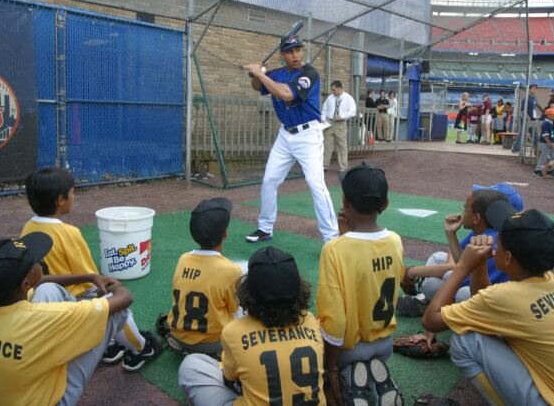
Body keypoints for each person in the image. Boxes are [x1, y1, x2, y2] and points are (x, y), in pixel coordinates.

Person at [422, 201, 554, 405]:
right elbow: (484, 301)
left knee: (466, 341)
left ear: (507, 257)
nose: (493, 241)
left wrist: (463, 266)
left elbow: (430, 321)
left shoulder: (507, 295)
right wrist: (479, 265)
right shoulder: (551, 280)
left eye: (499, 240)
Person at [0, 233, 136, 405]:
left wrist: (89, 277)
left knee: (49, 289)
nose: (40, 261)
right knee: (115, 311)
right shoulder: (42, 318)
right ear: (25, 285)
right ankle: (138, 348)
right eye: (35, 261)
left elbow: (40, 281)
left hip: (11, 389)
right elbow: (125, 298)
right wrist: (113, 286)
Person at [21, 167, 160, 372]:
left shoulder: (27, 228)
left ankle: (110, 345)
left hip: (46, 303)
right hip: (73, 302)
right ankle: (142, 348)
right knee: (115, 304)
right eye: (72, 193)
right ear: (61, 200)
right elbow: (90, 281)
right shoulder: (68, 232)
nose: (73, 197)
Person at [178, 246, 326, 405]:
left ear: (247, 291)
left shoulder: (234, 331)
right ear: (299, 288)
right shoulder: (311, 321)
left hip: (240, 379)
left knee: (191, 365)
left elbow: (230, 380)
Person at [318, 162, 404, 405]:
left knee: (312, 330)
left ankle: (349, 380)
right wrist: (346, 236)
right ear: (384, 205)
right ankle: (376, 381)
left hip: (350, 349)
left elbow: (334, 321)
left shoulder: (334, 249)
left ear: (345, 202)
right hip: (385, 344)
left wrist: (330, 368)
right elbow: (369, 266)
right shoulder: (395, 241)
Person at [244, 34, 338, 243]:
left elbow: (287, 94)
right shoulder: (276, 73)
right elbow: (257, 88)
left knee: (316, 185)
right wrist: (256, 75)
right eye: (290, 51)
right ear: (282, 55)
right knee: (269, 180)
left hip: (308, 136)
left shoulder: (309, 73)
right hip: (285, 135)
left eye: (298, 50)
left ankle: (332, 239)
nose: (295, 55)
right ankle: (265, 228)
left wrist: (262, 74)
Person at [396, 183, 523, 317]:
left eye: (465, 208)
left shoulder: (490, 241)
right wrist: (451, 234)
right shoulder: (485, 230)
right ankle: (427, 300)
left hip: (494, 304)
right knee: (439, 258)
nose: (462, 211)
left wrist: (411, 272)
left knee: (438, 284)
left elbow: (459, 273)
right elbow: (460, 263)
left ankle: (435, 308)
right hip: (486, 291)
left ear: (478, 217)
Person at [158, 198, 242, 358]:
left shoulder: (183, 258)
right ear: (225, 233)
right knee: (244, 310)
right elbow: (232, 309)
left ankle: (186, 347)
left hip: (177, 335)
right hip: (212, 343)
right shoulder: (231, 270)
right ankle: (218, 352)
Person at [322, 80, 357, 173]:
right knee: (327, 145)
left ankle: (343, 167)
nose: (332, 92)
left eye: (334, 90)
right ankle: (324, 165)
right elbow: (324, 110)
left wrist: (342, 116)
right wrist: (323, 120)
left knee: (342, 146)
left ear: (340, 88)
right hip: (329, 122)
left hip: (341, 123)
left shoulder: (348, 98)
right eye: (332, 90)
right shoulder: (330, 98)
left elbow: (353, 111)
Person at [512, 84, 544, 152]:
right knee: (522, 135)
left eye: (535, 88)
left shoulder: (534, 98)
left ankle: (538, 149)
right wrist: (527, 117)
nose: (534, 90)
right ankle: (515, 149)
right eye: (532, 88)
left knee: (534, 134)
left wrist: (537, 116)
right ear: (529, 89)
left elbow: (534, 109)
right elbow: (523, 110)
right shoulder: (526, 98)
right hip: (526, 120)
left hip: (532, 119)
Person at [532, 108, 554, 179]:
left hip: (550, 142)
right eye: (553, 115)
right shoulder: (546, 123)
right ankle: (537, 170)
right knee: (544, 156)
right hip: (545, 143)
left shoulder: (549, 122)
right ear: (549, 115)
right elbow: (545, 135)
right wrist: (549, 143)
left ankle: (551, 171)